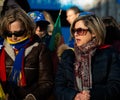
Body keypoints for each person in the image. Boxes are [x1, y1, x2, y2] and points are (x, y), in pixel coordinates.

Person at [54, 12, 120, 100]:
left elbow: (115, 86)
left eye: (80, 30)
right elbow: (58, 87)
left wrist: (91, 95)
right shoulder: (68, 55)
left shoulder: (110, 54)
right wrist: (74, 96)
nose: (75, 34)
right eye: (74, 31)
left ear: (94, 32)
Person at [0, 7, 54, 100]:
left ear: (27, 29)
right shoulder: (2, 48)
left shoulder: (39, 48)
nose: (13, 37)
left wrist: (32, 97)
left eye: (18, 33)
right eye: (9, 33)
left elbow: (47, 82)